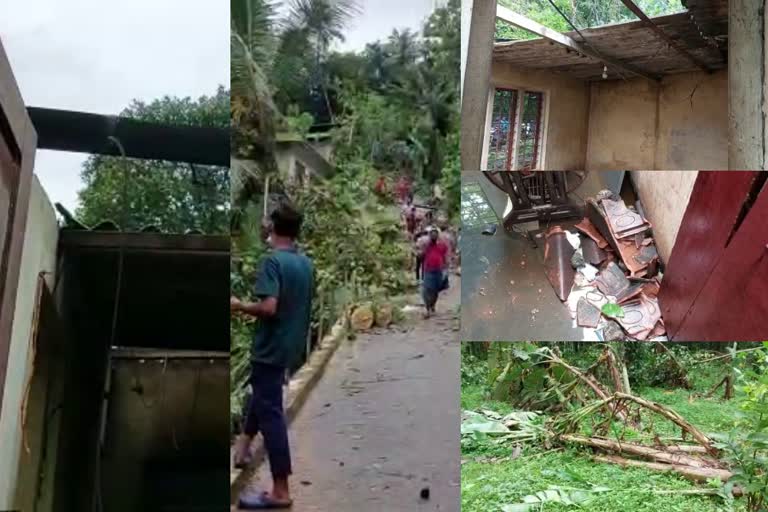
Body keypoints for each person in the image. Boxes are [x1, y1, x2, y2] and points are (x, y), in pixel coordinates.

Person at [231, 202, 314, 510]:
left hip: (269, 348)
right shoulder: (305, 264)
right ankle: (242, 447)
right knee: (263, 396)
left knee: (272, 415)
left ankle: (280, 490)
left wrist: (240, 306)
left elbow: (269, 307)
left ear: (273, 228)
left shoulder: (272, 262)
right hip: (290, 348)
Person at [421, 226, 449, 318]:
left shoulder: (442, 245)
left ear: (438, 235)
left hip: (438, 270)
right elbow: (420, 253)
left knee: (435, 291)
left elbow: (446, 257)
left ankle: (432, 305)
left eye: (435, 234)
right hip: (428, 270)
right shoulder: (426, 245)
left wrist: (446, 269)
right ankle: (427, 308)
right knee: (426, 289)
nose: (433, 236)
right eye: (431, 234)